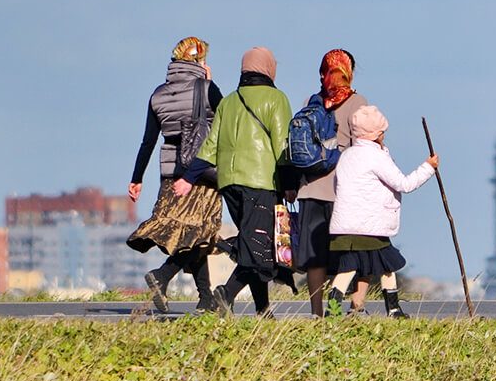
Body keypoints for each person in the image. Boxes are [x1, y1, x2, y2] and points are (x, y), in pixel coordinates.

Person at [176, 47, 292, 317]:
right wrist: (290, 183)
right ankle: (226, 293)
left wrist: (189, 177)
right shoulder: (276, 99)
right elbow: (282, 146)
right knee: (259, 246)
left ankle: (262, 309)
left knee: (254, 243)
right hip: (261, 182)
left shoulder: (228, 102)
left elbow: (210, 146)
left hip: (229, 183)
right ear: (269, 68)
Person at [127, 37, 223, 314]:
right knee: (201, 230)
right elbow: (228, 120)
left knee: (191, 233)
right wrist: (210, 82)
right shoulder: (206, 88)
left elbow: (148, 141)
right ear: (199, 61)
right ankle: (163, 275)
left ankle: (206, 298)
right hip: (202, 171)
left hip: (169, 171)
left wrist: (137, 178)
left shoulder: (158, 94)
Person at [326, 105, 437, 318]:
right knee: (387, 264)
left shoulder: (347, 155)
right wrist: (428, 167)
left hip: (347, 225)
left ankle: (334, 310)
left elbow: (338, 185)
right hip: (370, 226)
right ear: (377, 134)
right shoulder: (376, 157)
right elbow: (404, 184)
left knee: (349, 267)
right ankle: (393, 309)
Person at [290, 49, 368, 317]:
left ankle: (317, 312)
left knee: (315, 257)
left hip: (309, 189)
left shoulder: (310, 103)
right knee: (354, 249)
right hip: (342, 191)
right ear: (349, 71)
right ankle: (355, 305)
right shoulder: (358, 103)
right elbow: (363, 149)